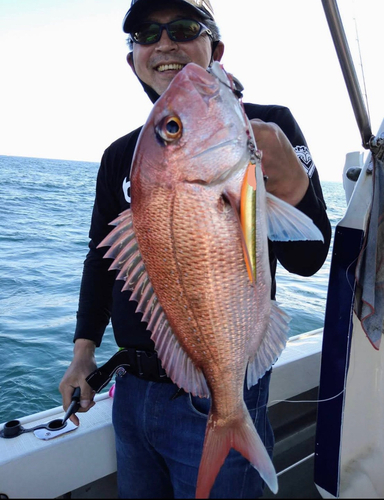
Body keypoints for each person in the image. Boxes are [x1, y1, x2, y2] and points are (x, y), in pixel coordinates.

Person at [59, 0, 332, 498]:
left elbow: (308, 260)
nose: (164, 43)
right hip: (130, 393)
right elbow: (101, 261)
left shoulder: (270, 130)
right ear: (133, 59)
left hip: (221, 390)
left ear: (216, 48)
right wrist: (82, 356)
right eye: (146, 34)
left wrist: (292, 182)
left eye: (184, 28)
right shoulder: (121, 155)